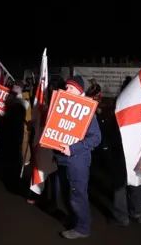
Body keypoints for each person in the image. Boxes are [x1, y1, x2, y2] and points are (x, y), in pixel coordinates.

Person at [54, 75, 101, 239]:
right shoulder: (61, 107)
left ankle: (82, 228)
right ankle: (76, 219)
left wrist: (73, 149)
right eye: (66, 87)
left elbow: (96, 138)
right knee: (65, 193)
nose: (66, 90)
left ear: (79, 91)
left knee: (77, 195)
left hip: (77, 162)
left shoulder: (86, 110)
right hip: (62, 160)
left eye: (70, 88)